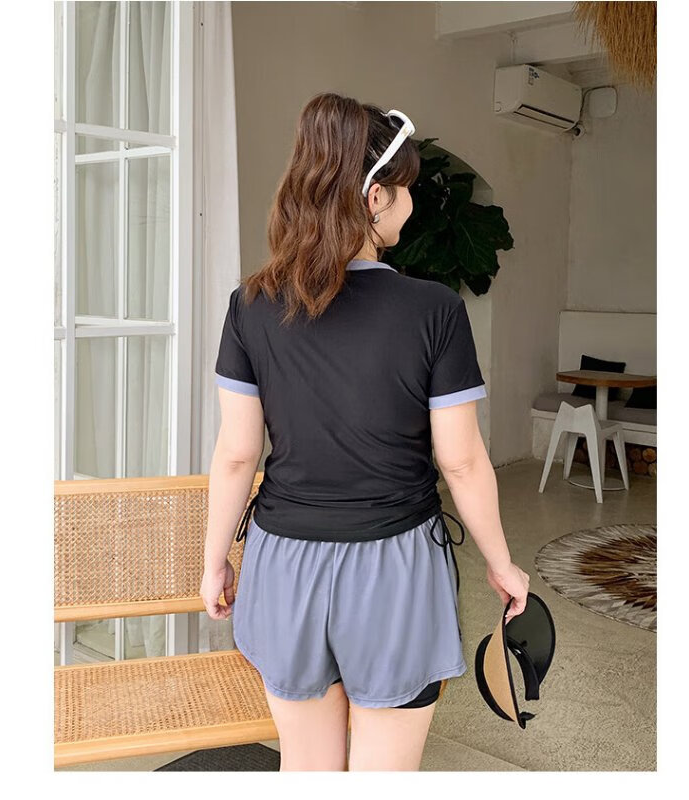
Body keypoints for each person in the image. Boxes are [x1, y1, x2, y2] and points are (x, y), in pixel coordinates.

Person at [200, 92, 529, 771]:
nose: (411, 204)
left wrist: (214, 562)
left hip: (283, 564)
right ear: (376, 197)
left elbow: (237, 455)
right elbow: (462, 462)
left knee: (306, 766)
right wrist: (502, 564)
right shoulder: (434, 310)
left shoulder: (251, 305)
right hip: (395, 567)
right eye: (406, 190)